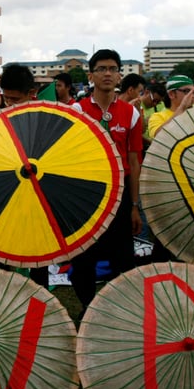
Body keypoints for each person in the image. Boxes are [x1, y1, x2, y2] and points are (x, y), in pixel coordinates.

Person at [71, 49, 142, 311]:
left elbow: (134, 162)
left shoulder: (131, 114)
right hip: (86, 194)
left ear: (120, 74)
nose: (108, 73)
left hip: (121, 194)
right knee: (82, 262)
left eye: (113, 68)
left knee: (122, 261)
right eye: (101, 68)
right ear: (91, 75)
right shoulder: (76, 110)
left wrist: (134, 205)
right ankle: (89, 309)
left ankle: (116, 314)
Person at [146, 75, 194, 139]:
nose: (192, 95)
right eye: (187, 91)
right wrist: (181, 109)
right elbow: (158, 137)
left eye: (193, 92)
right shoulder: (157, 117)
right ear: (171, 94)